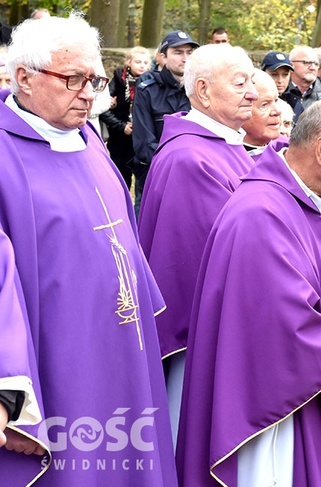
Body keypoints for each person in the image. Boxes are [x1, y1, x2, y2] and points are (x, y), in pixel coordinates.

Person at [0, 13, 177, 487]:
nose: (89, 94)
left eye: (94, 80)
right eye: (72, 79)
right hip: (56, 364)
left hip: (123, 349)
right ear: (23, 78)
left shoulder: (89, 141)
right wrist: (7, 387)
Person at [177, 99, 321, 487]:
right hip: (270, 411)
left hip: (316, 393)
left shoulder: (320, 201)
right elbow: (284, 323)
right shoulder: (260, 213)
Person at [137, 44, 258, 447]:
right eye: (240, 83)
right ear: (203, 91)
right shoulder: (190, 159)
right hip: (201, 339)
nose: (253, 93)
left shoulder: (226, 145)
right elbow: (211, 257)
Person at [132, 30, 198, 215]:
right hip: (154, 174)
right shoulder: (148, 89)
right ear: (163, 57)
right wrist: (174, 167)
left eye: (189, 53)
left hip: (193, 175)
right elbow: (144, 141)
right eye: (178, 52)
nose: (185, 58)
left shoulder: (200, 91)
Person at [100, 46, 151, 189]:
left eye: (145, 62)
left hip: (142, 138)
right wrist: (121, 126)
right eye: (138, 62)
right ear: (129, 62)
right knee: (120, 180)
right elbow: (103, 108)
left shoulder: (152, 82)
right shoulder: (118, 80)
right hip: (120, 139)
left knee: (143, 183)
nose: (142, 65)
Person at [242, 70, 282, 156]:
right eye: (265, 105)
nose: (277, 111)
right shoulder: (222, 158)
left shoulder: (289, 148)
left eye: (276, 101)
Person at [261, 50, 304, 120]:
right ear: (263, 73)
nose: (280, 80)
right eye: (274, 75)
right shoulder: (253, 101)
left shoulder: (295, 102)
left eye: (285, 75)